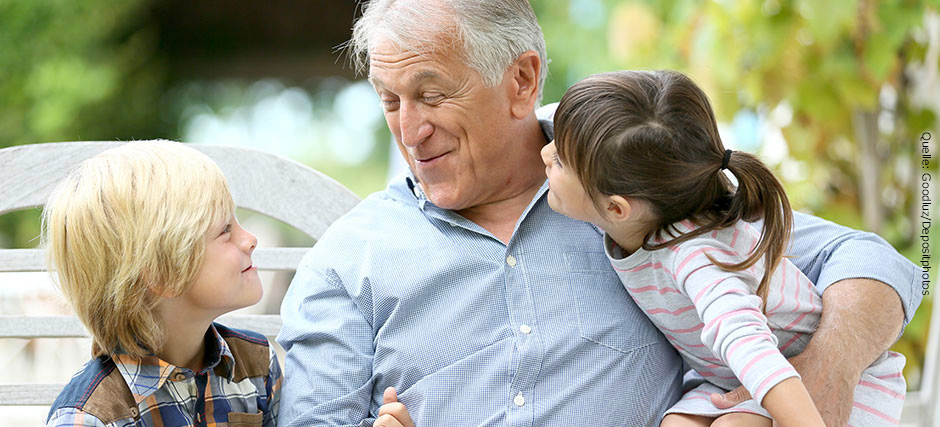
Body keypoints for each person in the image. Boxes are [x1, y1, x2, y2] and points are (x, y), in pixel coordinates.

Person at [277, 1, 921, 425]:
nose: (409, 131)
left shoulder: (629, 185)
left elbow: (876, 263)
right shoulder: (351, 256)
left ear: (522, 81)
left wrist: (827, 369)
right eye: (390, 100)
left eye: (433, 94)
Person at [540, 69, 906, 426]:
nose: (544, 152)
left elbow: (749, 345)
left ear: (616, 209)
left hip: (813, 376)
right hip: (732, 378)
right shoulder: (644, 223)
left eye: (559, 161)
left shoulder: (697, 257)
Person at [43, 141, 281, 426]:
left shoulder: (257, 366)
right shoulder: (91, 417)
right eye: (225, 230)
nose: (250, 239)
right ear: (161, 275)